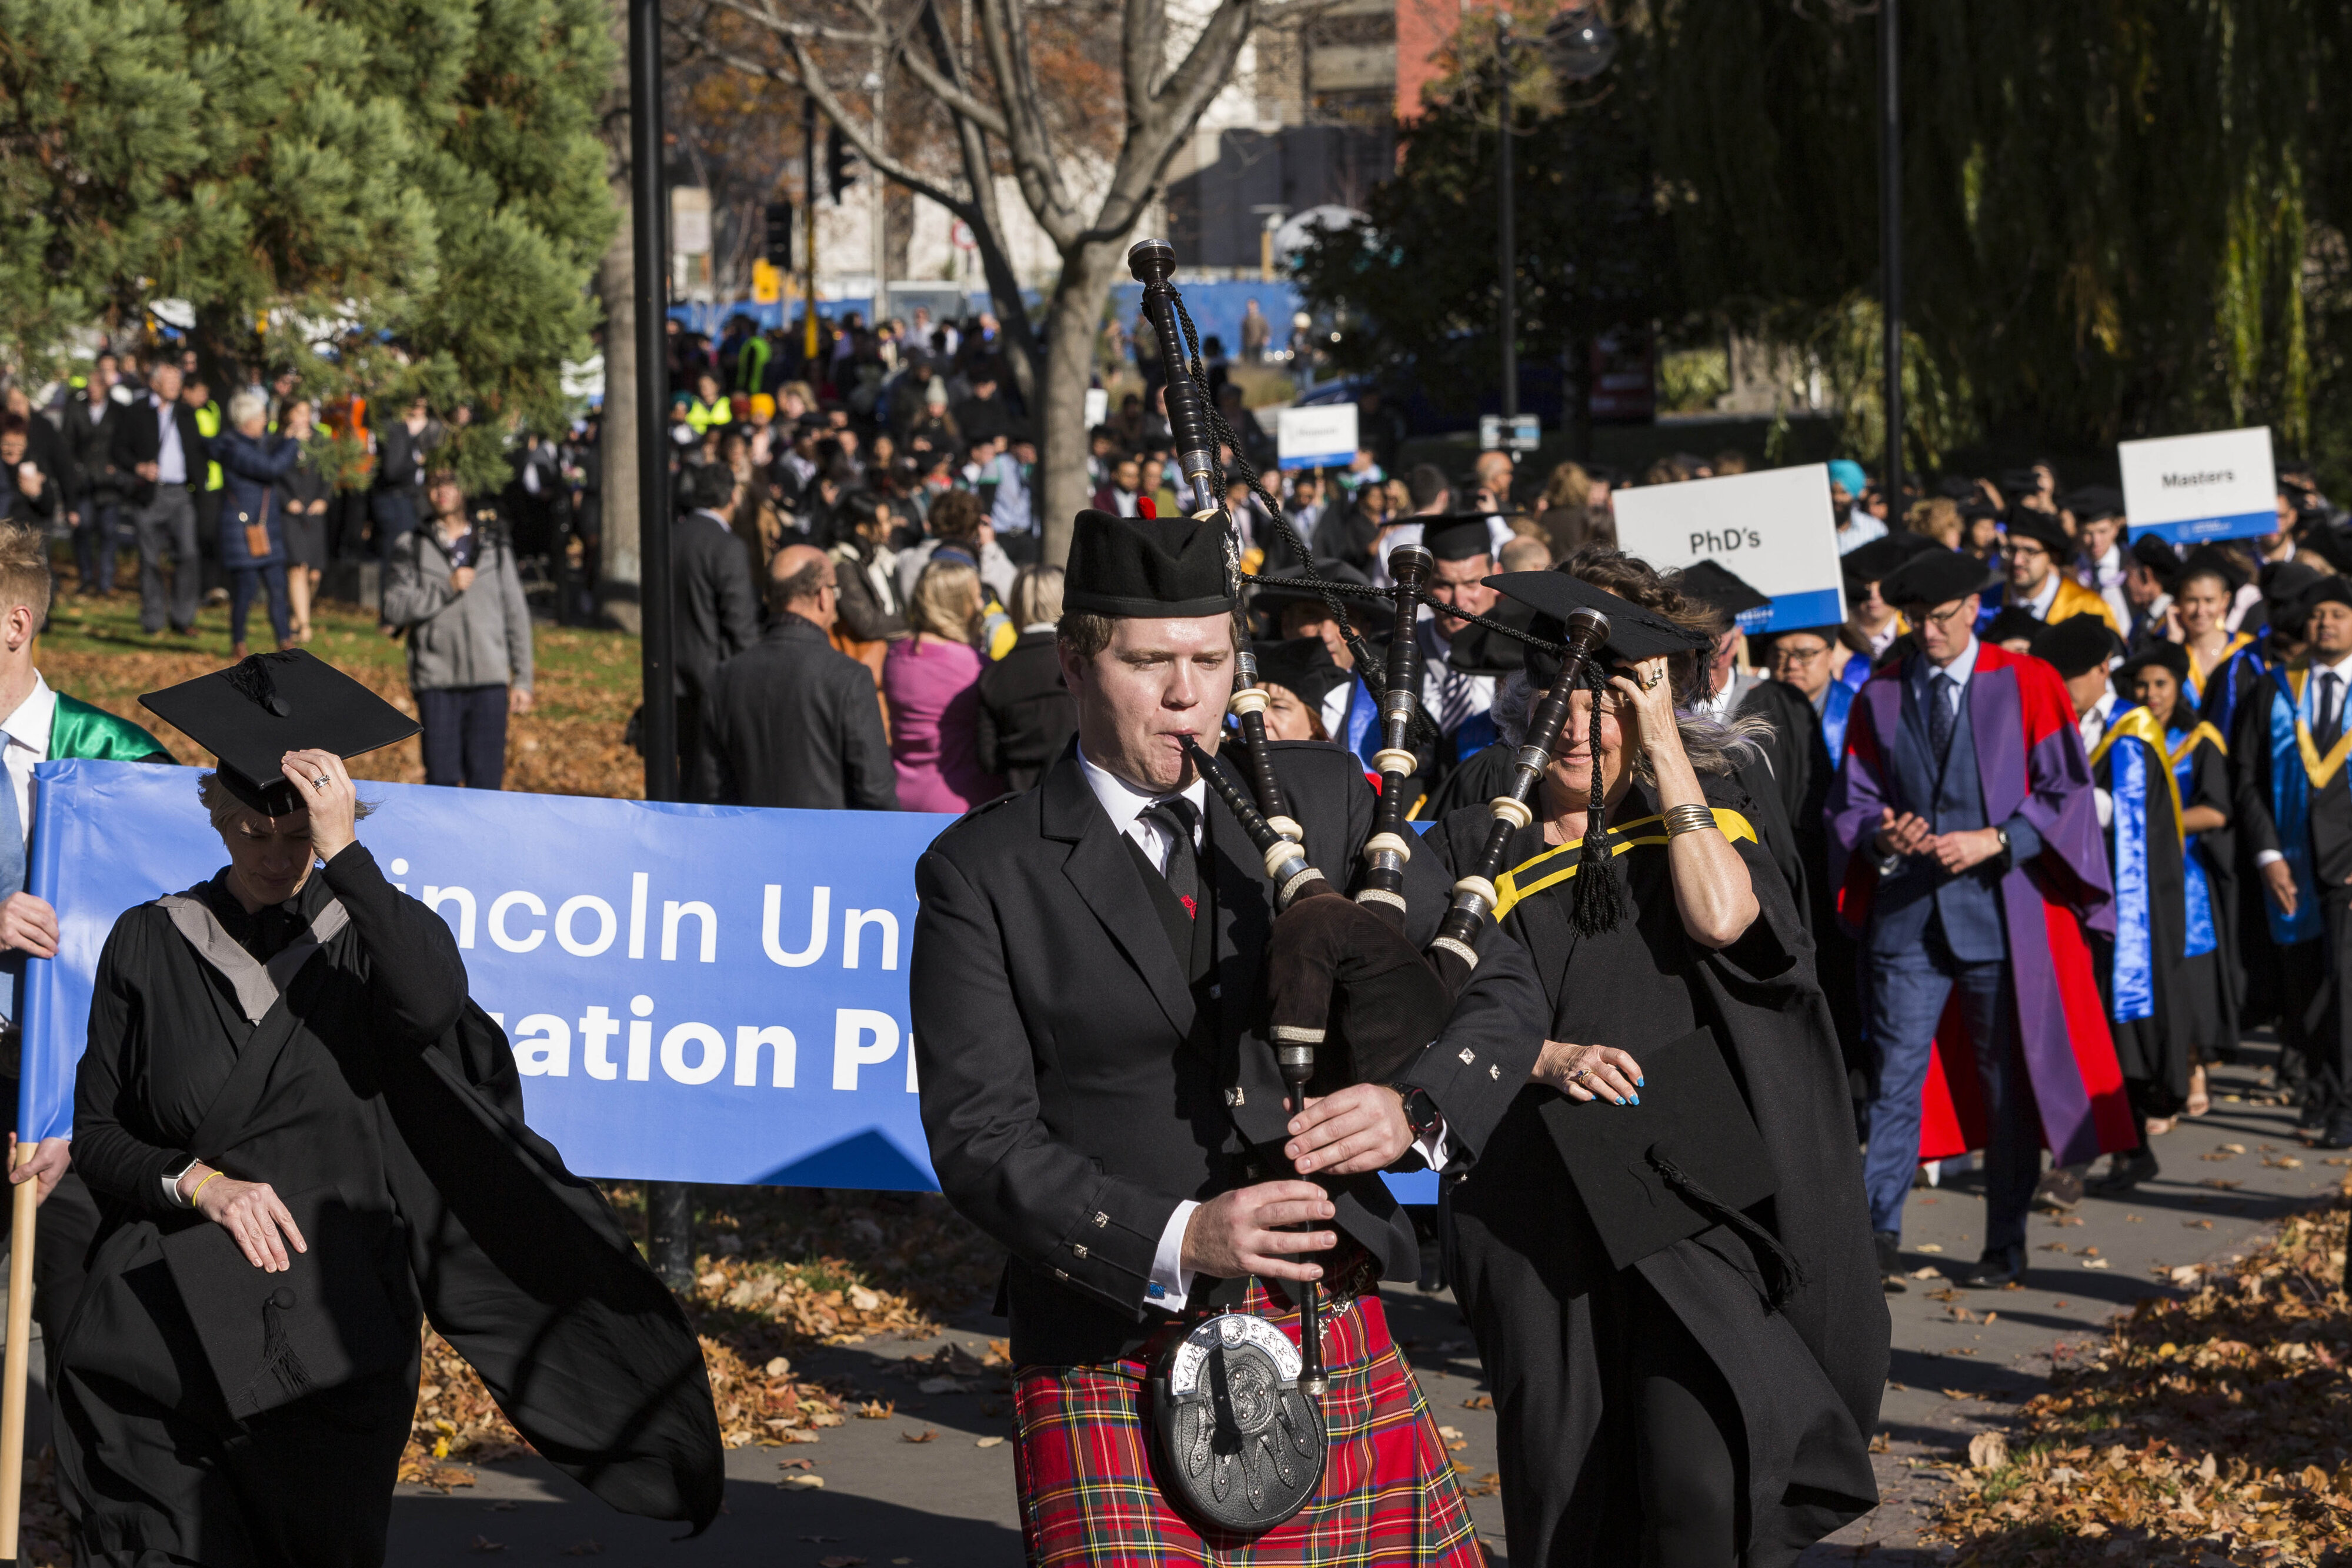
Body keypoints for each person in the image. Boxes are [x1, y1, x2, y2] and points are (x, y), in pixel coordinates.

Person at [909, 506, 1545, 1566]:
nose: (1184, 693)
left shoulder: (1329, 801)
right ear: (1074, 661)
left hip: (1321, 1318)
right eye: (1148, 662)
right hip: (1107, 1336)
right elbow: (980, 1140)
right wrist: (1176, 1236)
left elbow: (1500, 983)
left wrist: (1413, 1107)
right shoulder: (983, 873)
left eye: (1209, 659)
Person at [59, 653, 722, 1563]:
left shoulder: (361, 943)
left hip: (330, 1329)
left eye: (295, 838)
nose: (272, 855)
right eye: (253, 831)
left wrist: (348, 856)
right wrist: (197, 1183)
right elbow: (99, 1135)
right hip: (168, 1324)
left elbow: (433, 1001)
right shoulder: (150, 940)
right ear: (217, 812)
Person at [1428, 570, 1885, 1567]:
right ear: (1521, 713)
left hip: (1679, 1176)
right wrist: (1542, 1056)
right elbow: (1424, 1001)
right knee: (1570, 1493)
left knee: (1698, 1478)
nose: (1582, 737)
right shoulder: (1476, 827)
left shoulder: (1706, 797)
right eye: (1560, 714)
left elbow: (1721, 920)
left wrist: (1668, 742)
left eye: (1607, 711)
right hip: (1534, 1194)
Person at [1829, 548, 2133, 1292]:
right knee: (1896, 1080)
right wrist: (1880, 835)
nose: (1926, 631)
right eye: (1915, 618)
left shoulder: (2025, 681)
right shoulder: (1883, 691)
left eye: (1939, 617)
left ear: (1973, 609)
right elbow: (1855, 797)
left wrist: (1998, 837)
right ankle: (1879, 1234)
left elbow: (2066, 788)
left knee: (2007, 1084)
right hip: (1906, 920)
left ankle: (2005, 1239)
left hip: (2000, 914)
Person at [0, 524, 173, 1393]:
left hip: (77, 1088)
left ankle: (80, 1519)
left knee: (82, 1337)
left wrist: (81, 1106)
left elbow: (178, 936)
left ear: (15, 624)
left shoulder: (121, 764)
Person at [2088, 642, 2235, 1192]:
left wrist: (2151, 827)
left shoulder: (2197, 740)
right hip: (2135, 880)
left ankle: (2187, 1070)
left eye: (2161, 685)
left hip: (2181, 880)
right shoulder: (2123, 735)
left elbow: (2218, 809)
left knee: (2182, 985)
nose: (2150, 695)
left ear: (2182, 688)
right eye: (2142, 685)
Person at [2234, 573, 2352, 1148]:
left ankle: (2344, 1098)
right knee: (2303, 987)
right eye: (2318, 614)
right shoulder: (2275, 688)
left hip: (2350, 868)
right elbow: (2248, 778)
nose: (2326, 622)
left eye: (2338, 613)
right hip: (2292, 864)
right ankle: (2319, 1089)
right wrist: (2268, 853)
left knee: (2347, 985)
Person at [702, 544, 897, 810]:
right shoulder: (849, 679)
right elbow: (877, 796)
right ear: (823, 597)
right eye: (834, 590)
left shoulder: (724, 677)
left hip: (748, 844)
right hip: (827, 845)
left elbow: (711, 790)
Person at [380, 471, 535, 790]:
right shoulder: (413, 544)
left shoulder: (493, 544)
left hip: (489, 681)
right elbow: (393, 608)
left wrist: (523, 678)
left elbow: (515, 612)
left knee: (487, 783)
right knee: (441, 783)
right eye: (435, 484)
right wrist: (445, 589)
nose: (442, 491)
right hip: (437, 682)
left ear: (465, 486)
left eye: (450, 482)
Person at [671, 462, 760, 800]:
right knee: (710, 783)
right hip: (713, 679)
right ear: (732, 497)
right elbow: (740, 623)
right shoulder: (727, 546)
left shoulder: (671, 536)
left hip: (668, 677)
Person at [885, 558, 1000, 812]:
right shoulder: (977, 667)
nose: (981, 604)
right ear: (956, 605)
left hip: (901, 796)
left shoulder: (894, 657)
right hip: (962, 803)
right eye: (975, 597)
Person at [111, 362, 208, 637]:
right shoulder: (137, 412)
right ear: (154, 383)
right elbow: (117, 449)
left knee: (188, 554)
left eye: (179, 382)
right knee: (150, 558)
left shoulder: (187, 413)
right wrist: (139, 467)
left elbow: (198, 450)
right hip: (150, 494)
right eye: (171, 382)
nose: (177, 387)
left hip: (181, 493)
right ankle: (153, 620)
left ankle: (183, 617)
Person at [211, 391, 303, 658]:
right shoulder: (232, 447)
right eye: (262, 416)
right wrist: (293, 442)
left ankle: (285, 640)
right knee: (246, 589)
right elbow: (270, 468)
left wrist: (289, 433)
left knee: (277, 586)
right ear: (247, 420)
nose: (265, 421)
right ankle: (238, 641)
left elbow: (274, 451)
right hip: (241, 528)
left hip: (266, 527)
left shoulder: (258, 442)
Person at [975, 565, 1077, 793]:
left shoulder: (993, 677)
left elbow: (989, 760)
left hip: (1018, 802)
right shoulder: (1081, 665)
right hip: (1080, 796)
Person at [276, 399, 335, 642]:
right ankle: (304, 625)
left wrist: (324, 499)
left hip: (314, 513)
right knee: (297, 568)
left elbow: (330, 474)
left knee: (314, 575)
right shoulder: (278, 441)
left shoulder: (321, 441)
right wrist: (286, 500)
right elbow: (273, 474)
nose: (303, 417)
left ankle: (296, 611)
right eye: (298, 411)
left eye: (307, 412)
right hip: (290, 514)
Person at [2001, 512, 2121, 632]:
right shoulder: (1989, 604)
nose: (2017, 561)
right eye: (2011, 550)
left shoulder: (2088, 607)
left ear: (2052, 558)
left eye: (2030, 551)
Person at [371, 396, 438, 562]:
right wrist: (417, 463)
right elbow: (393, 470)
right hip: (396, 502)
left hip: (395, 500)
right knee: (397, 557)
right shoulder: (396, 429)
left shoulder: (394, 427)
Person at [1830, 459, 1885, 553]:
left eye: (1844, 492)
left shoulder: (1874, 529)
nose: (1837, 498)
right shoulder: (1814, 529)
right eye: (1833, 492)